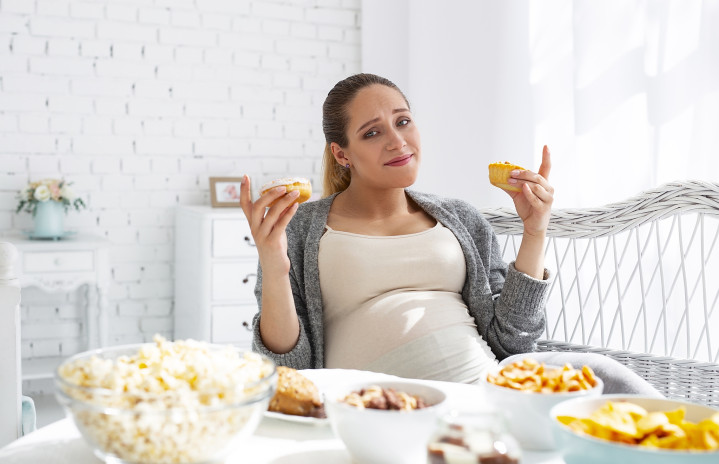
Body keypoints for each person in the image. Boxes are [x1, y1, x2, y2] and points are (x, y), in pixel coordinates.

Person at [239, 73, 660, 395]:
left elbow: (513, 341)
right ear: (341, 153)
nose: (397, 141)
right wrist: (274, 266)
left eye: (403, 121)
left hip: (490, 390)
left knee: (606, 376)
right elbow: (290, 367)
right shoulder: (300, 227)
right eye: (373, 132)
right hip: (382, 408)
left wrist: (534, 231)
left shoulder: (459, 217)